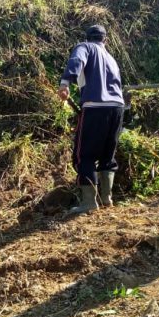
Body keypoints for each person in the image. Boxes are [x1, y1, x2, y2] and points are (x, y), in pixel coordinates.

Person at [57, 25, 124, 214]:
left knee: (84, 155)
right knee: (107, 155)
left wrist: (65, 83)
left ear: (87, 38)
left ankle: (88, 202)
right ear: (106, 40)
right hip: (117, 108)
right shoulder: (111, 58)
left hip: (95, 107)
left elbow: (77, 60)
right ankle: (106, 198)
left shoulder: (85, 47)